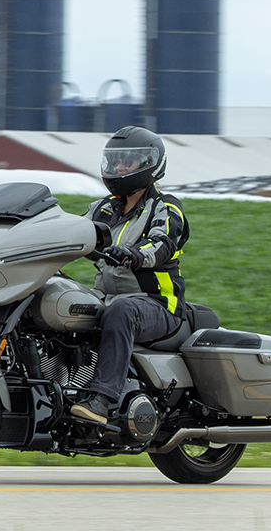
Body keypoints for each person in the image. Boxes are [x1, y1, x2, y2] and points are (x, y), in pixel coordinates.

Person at [71, 125, 190, 424]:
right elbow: (72, 231)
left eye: (128, 161)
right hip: (106, 298)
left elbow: (164, 242)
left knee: (122, 310)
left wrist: (134, 253)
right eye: (115, 161)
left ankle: (102, 398)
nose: (119, 167)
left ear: (150, 164)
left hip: (157, 304)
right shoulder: (103, 209)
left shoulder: (165, 207)